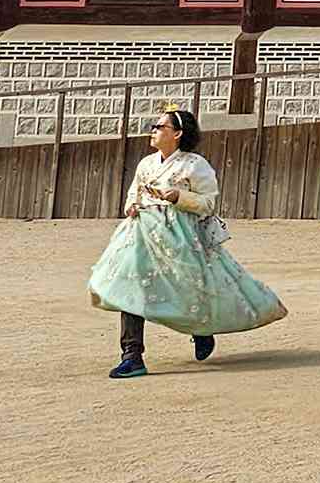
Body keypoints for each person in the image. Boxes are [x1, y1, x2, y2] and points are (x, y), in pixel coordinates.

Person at [89, 106, 286, 378]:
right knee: (130, 286)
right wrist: (131, 207)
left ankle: (202, 328)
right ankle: (132, 354)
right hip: (141, 233)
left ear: (178, 133)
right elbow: (133, 193)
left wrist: (178, 197)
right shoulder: (146, 163)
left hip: (180, 235)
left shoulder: (194, 165)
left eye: (160, 127)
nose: (154, 131)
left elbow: (208, 203)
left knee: (188, 286)